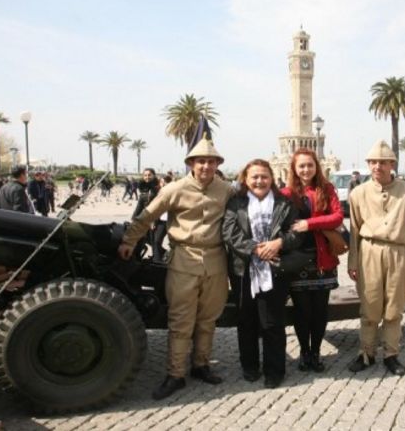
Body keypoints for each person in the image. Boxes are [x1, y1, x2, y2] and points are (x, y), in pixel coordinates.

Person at [117, 137, 234, 400]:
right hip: (183, 259)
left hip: (216, 261)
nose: (206, 166)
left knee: (208, 319)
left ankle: (201, 365)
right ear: (191, 163)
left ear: (217, 164)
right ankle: (175, 374)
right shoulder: (175, 189)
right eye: (201, 161)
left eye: (211, 161)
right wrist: (129, 240)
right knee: (181, 321)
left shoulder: (226, 190)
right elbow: (148, 215)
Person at [347, 140, 405, 376]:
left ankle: (391, 354)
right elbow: (353, 230)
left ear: (392, 164)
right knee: (369, 307)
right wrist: (353, 262)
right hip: (368, 252)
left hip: (399, 251)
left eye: (382, 162)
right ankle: (366, 353)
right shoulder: (358, 193)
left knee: (394, 308)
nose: (377, 166)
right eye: (372, 162)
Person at [222, 159, 301, 389]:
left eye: (264, 176)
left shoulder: (284, 203)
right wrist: (255, 248)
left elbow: (296, 234)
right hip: (243, 270)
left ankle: (274, 370)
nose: (259, 181)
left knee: (273, 322)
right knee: (246, 320)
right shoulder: (235, 203)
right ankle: (249, 366)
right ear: (245, 179)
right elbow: (229, 231)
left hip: (275, 269)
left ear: (271, 179)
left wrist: (278, 243)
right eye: (254, 177)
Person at [280, 148, 344, 373]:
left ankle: (315, 352)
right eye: (301, 166)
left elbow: (338, 216)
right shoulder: (287, 194)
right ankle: (304, 352)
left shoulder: (326, 189)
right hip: (298, 261)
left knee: (320, 311)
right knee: (301, 311)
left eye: (310, 165)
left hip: (322, 259)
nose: (306, 169)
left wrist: (311, 224)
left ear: (316, 166)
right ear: (294, 169)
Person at [132, 168, 161, 260]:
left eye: (149, 175)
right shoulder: (143, 187)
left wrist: (153, 220)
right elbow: (140, 204)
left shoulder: (157, 188)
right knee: (141, 239)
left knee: (154, 241)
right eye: (145, 175)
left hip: (155, 219)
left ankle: (157, 261)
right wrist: (134, 218)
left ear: (153, 175)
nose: (147, 177)